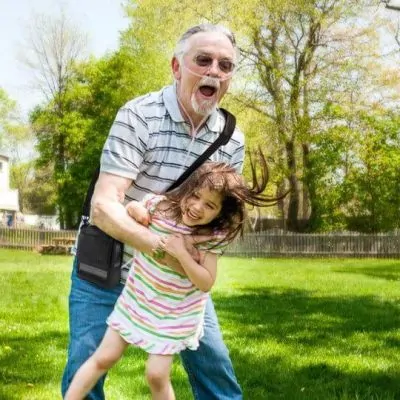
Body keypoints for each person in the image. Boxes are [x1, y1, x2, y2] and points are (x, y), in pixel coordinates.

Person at [62, 23, 246, 400]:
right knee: (88, 360)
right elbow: (103, 206)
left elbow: (219, 221)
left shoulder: (231, 139)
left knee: (214, 365)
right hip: (110, 261)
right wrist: (164, 248)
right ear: (177, 67)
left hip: (175, 277)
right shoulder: (139, 116)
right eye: (203, 60)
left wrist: (188, 263)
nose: (214, 70)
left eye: (225, 65)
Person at [64, 159, 277, 400]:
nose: (197, 207)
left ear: (220, 213)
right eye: (195, 196)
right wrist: (136, 211)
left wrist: (182, 253)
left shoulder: (209, 238)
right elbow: (133, 207)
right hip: (139, 297)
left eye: (209, 205)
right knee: (103, 357)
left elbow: (206, 282)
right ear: (187, 190)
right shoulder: (161, 206)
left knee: (156, 375)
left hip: (175, 311)